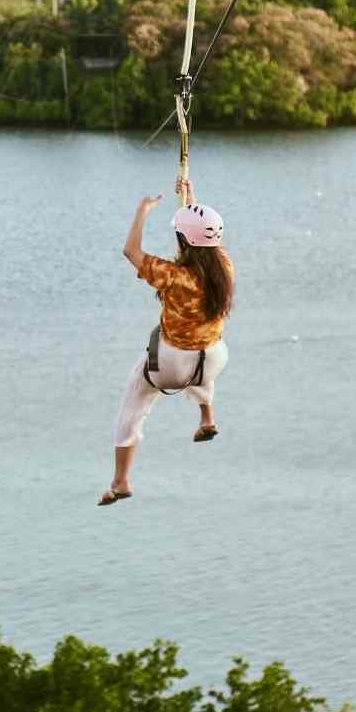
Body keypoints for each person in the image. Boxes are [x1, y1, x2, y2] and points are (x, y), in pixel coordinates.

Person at [100, 191, 234, 507]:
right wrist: (187, 196)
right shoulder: (224, 268)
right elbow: (198, 237)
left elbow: (130, 251)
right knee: (206, 350)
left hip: (173, 366)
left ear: (183, 241)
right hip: (212, 360)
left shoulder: (173, 277)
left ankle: (120, 481)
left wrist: (142, 210)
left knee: (134, 402)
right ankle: (206, 417)